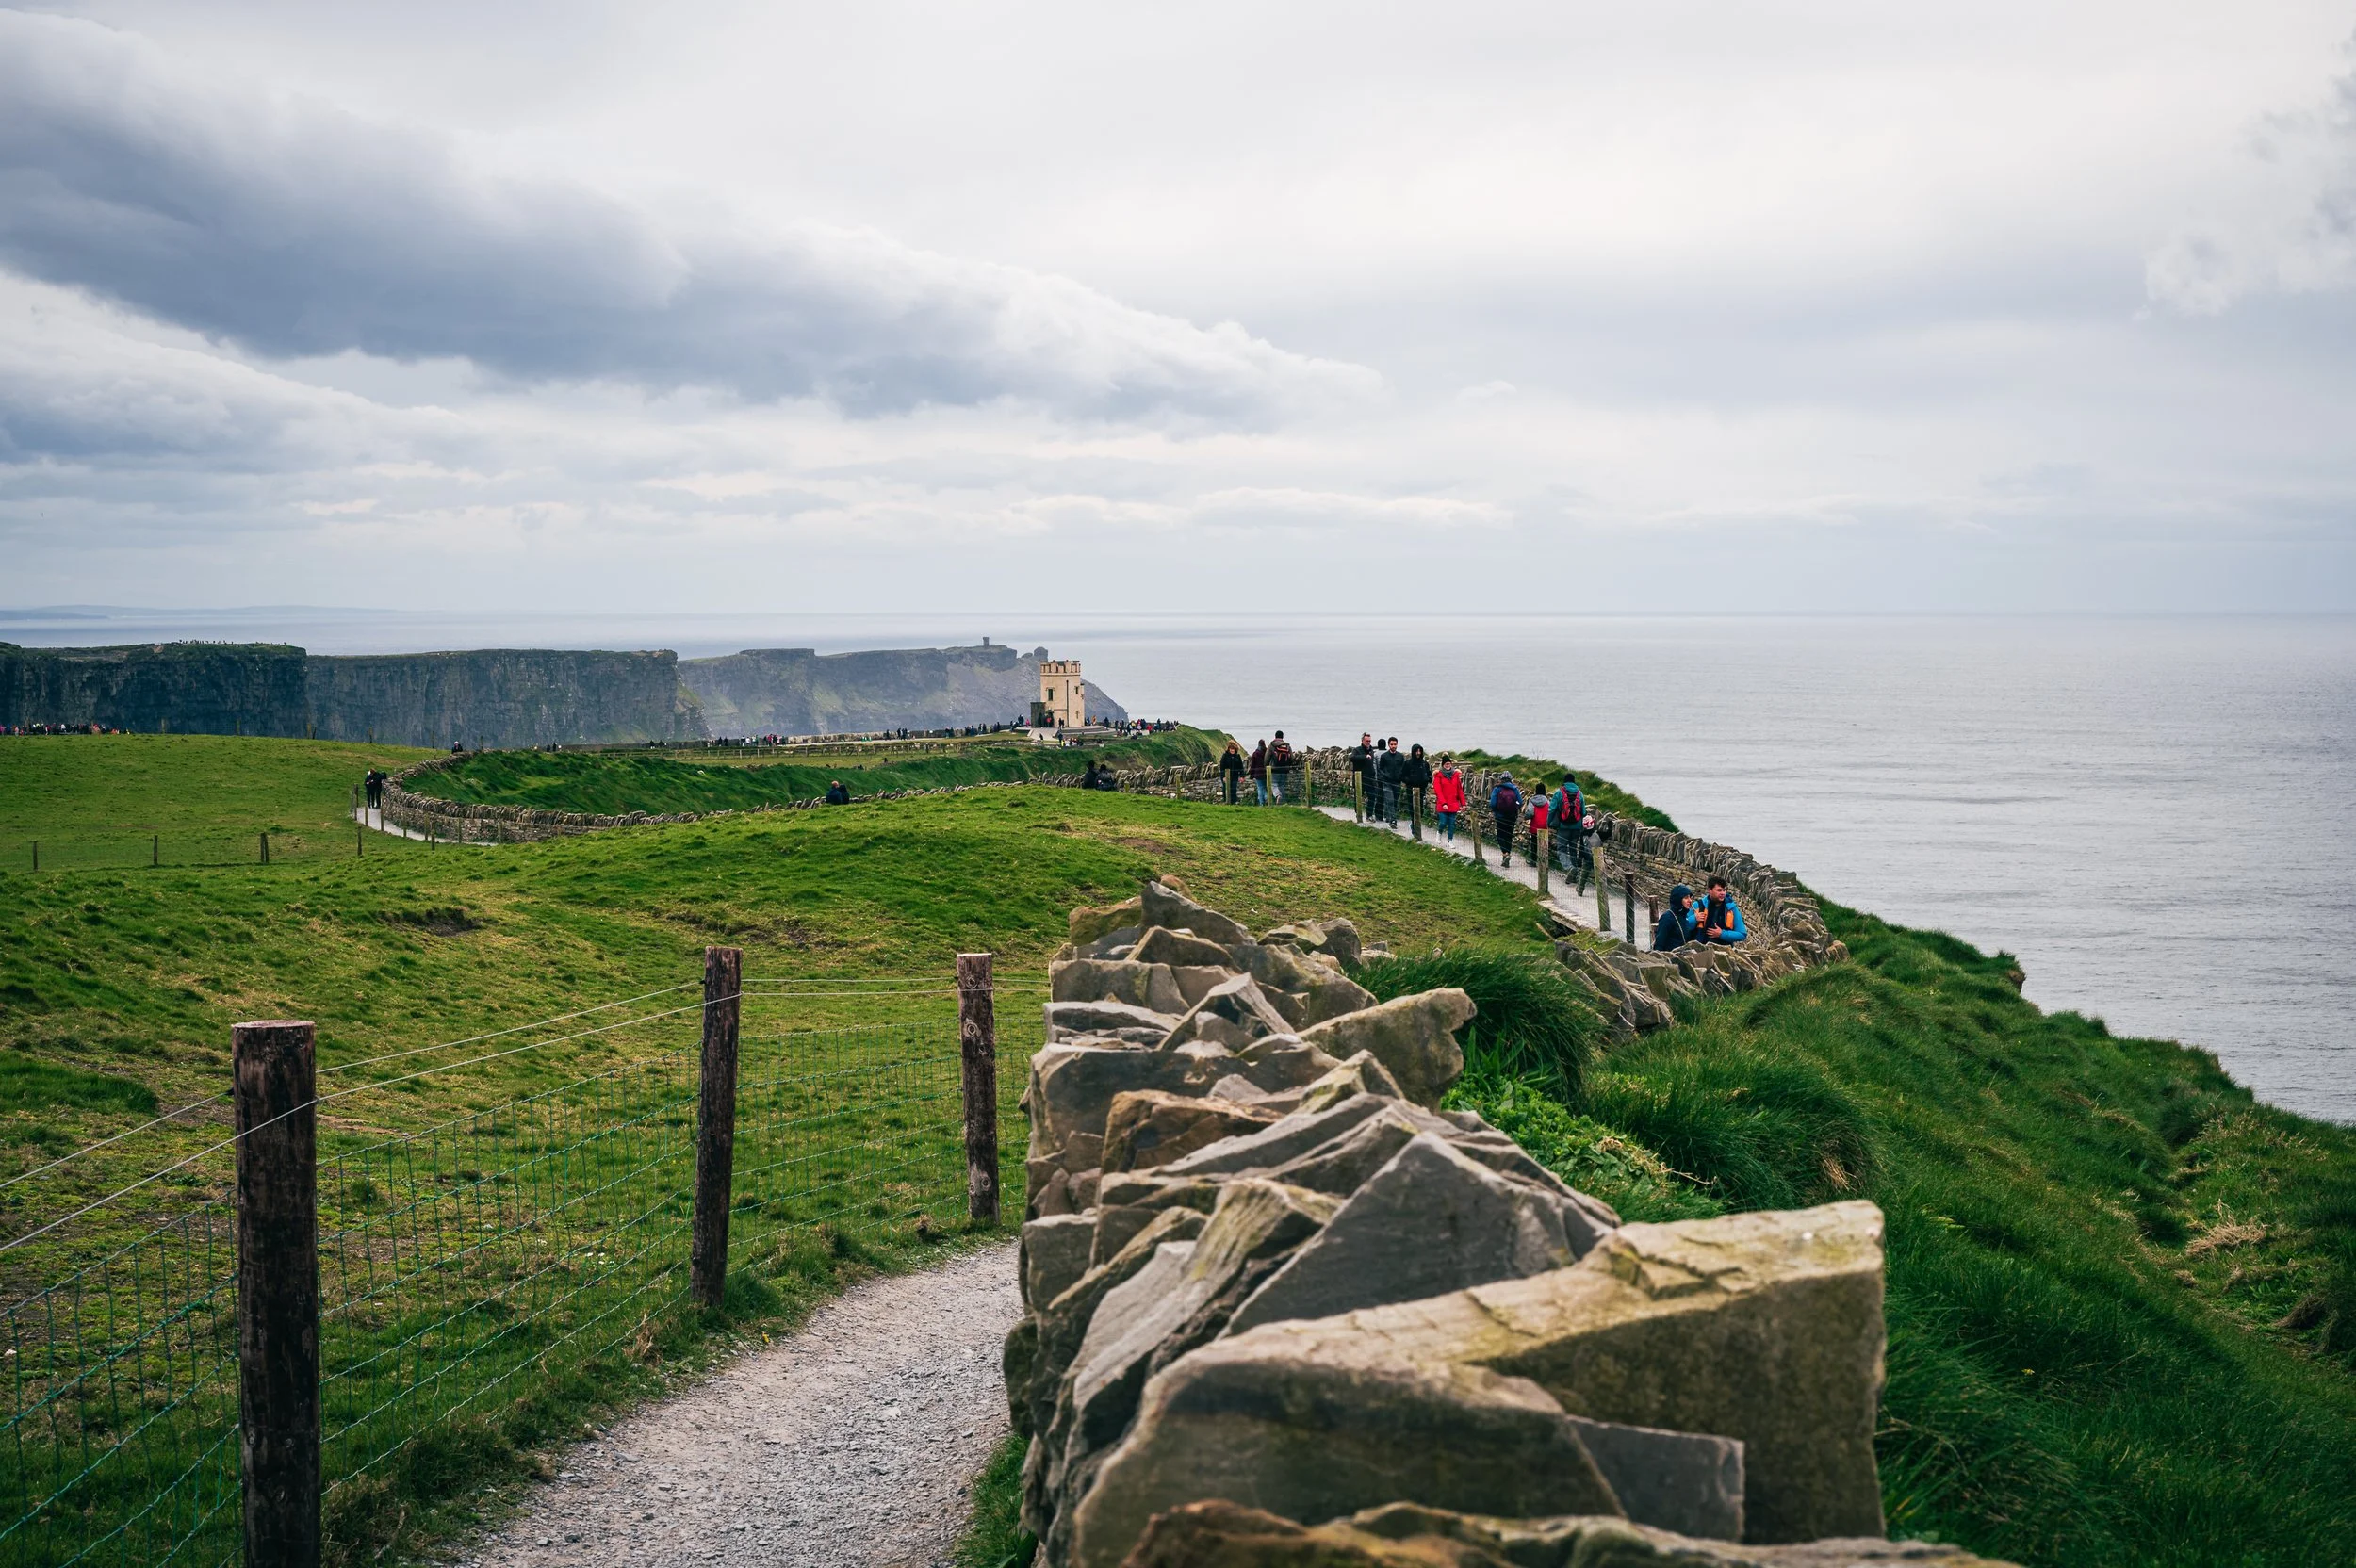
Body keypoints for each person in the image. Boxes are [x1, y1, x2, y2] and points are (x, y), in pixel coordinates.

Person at [1550, 775, 1585, 876]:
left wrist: (1548, 823)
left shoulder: (1559, 792)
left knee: (1561, 849)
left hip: (1563, 826)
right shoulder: (1580, 793)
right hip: (1577, 827)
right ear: (1574, 782)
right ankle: (1574, 876)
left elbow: (1551, 810)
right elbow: (1583, 811)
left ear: (1565, 782)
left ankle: (1569, 868)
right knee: (1573, 849)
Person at [1696, 876, 1748, 942]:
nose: (1722, 893)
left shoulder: (1731, 908)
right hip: (1699, 949)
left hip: (1723, 950)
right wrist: (1695, 918)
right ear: (1709, 890)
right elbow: (1684, 926)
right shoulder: (1699, 905)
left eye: (1724, 890)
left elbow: (1742, 934)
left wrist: (1722, 934)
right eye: (1719, 890)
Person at [1654, 884, 1700, 950]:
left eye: (1690, 897)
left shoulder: (1684, 916)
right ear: (1678, 899)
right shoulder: (1667, 918)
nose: (1690, 900)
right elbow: (1659, 943)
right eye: (1686, 898)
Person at [1432, 754, 1466, 841]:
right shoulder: (1438, 776)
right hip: (1442, 804)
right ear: (1443, 765)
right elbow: (1438, 791)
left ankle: (1450, 841)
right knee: (1443, 822)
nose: (1448, 766)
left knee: (1451, 824)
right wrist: (1443, 803)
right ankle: (1439, 833)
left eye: (1449, 764)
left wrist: (1463, 804)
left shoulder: (1455, 775)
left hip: (1453, 803)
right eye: (1446, 764)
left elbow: (1459, 790)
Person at [1489, 772, 1522, 863]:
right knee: (1509, 835)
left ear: (1501, 779)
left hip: (1500, 816)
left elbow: (1492, 803)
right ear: (1510, 779)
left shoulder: (1497, 789)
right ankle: (1508, 853)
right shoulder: (1515, 789)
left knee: (1500, 835)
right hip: (1512, 816)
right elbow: (1520, 801)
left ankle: (1505, 854)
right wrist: (1515, 809)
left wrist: (1496, 812)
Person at [1403, 743, 1432, 836]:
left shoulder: (1425, 764)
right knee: (1412, 808)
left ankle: (1415, 824)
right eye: (1417, 751)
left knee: (1421, 809)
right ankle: (1415, 826)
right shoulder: (1408, 763)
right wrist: (1409, 781)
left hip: (1422, 788)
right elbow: (1402, 775)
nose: (1418, 753)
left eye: (1420, 751)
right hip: (1411, 789)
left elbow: (1429, 774)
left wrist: (1428, 779)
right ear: (1413, 752)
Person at [1375, 737, 1406, 825]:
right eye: (1391, 744)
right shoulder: (1384, 756)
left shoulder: (1400, 756)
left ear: (1397, 745)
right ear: (1388, 745)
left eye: (1395, 744)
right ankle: (1393, 820)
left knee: (1395, 801)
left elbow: (1403, 768)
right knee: (1390, 800)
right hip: (1387, 782)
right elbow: (1380, 768)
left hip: (1397, 782)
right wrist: (1385, 775)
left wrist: (1400, 776)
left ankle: (1390, 816)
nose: (1393, 746)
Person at [1347, 732, 1376, 815]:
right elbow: (1352, 758)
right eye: (1367, 741)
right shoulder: (1357, 750)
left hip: (1370, 779)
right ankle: (1358, 814)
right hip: (1359, 779)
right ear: (1362, 741)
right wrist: (1364, 756)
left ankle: (1369, 815)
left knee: (1373, 796)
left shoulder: (1371, 750)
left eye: (1370, 741)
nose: (1368, 743)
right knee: (1358, 797)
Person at [1268, 731, 1296, 803]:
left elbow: (1267, 757)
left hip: (1274, 769)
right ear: (1282, 737)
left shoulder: (1272, 745)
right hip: (1284, 769)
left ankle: (1278, 796)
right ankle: (1282, 803)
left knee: (1274, 784)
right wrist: (1289, 766)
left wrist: (1266, 767)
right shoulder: (1287, 746)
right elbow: (1292, 758)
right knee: (1282, 785)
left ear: (1275, 736)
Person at [1527, 788, 1550, 867]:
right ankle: (1543, 862)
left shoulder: (1532, 801)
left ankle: (1533, 861)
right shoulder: (1547, 802)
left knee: (1534, 843)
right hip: (1544, 826)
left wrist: (1526, 817)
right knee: (1543, 845)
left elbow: (1530, 812)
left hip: (1534, 825)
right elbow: (1550, 813)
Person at [1220, 740, 1245, 804]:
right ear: (1228, 749)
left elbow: (1241, 767)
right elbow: (1222, 767)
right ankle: (1226, 802)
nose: (1232, 750)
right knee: (1226, 789)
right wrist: (1223, 777)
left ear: (1236, 749)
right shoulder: (1225, 756)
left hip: (1235, 776)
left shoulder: (1238, 756)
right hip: (1226, 776)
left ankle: (1234, 802)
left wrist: (1242, 776)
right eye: (1231, 749)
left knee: (1233, 789)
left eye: (1233, 749)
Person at [1249, 740, 1269, 805]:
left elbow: (1253, 765)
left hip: (1258, 773)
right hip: (1266, 773)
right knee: (1265, 787)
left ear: (1258, 745)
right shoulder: (1267, 752)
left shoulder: (1255, 753)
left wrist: (1251, 776)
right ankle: (1267, 799)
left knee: (1260, 788)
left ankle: (1262, 803)